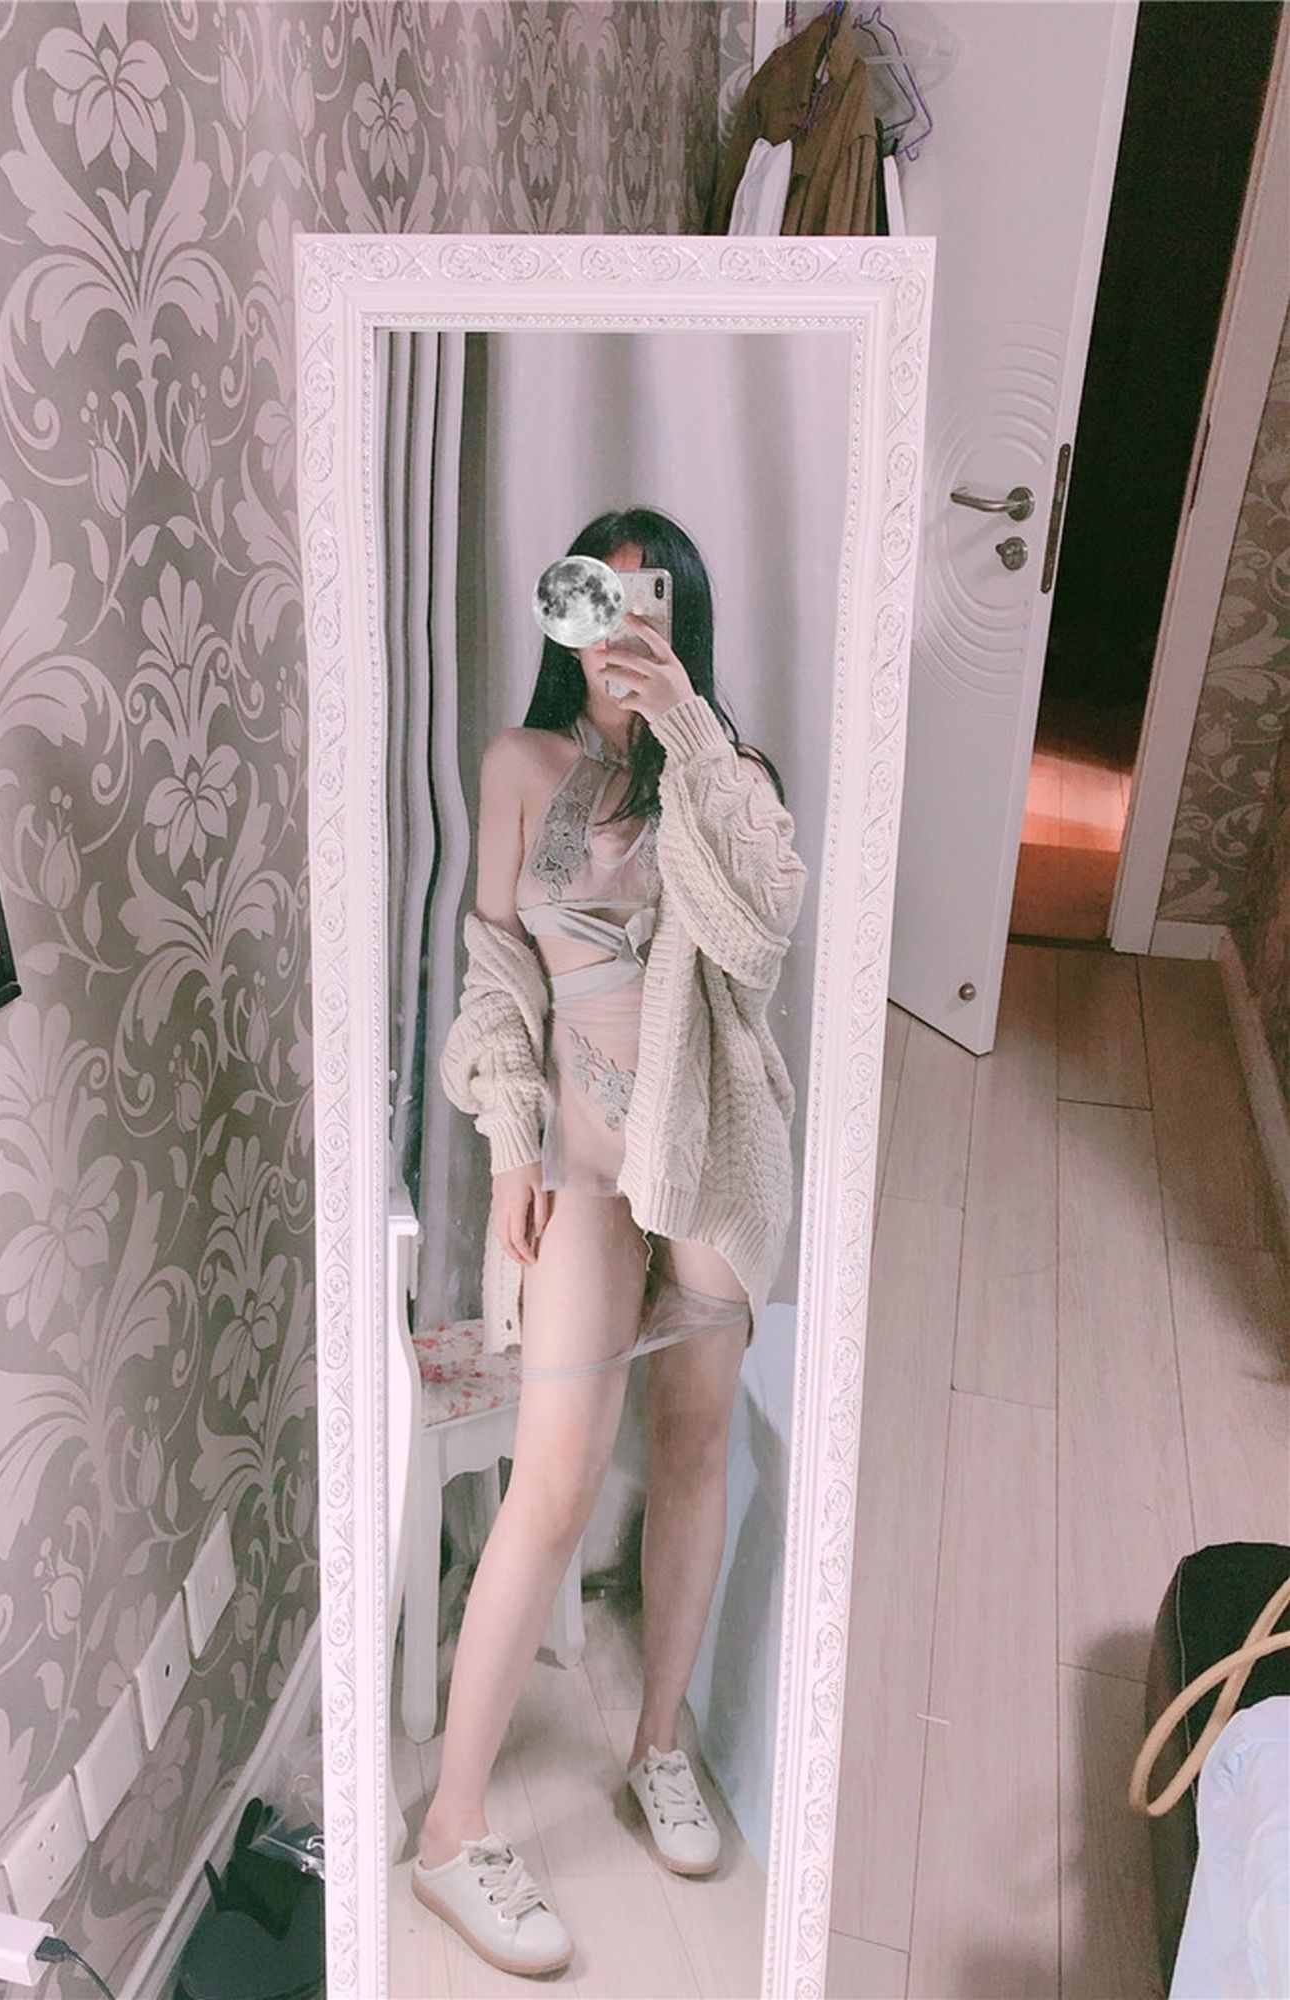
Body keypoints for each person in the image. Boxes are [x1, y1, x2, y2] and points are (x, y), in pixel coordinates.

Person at [415, 506, 808, 1977]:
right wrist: (511, 1134)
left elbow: (762, 929)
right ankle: (452, 1829)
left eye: (653, 601)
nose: (621, 624)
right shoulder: (519, 765)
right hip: (579, 1166)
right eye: (598, 595)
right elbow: (494, 960)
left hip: (709, 1159)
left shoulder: (729, 776)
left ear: (682, 620)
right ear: (561, 609)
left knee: (695, 1445)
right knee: (554, 1484)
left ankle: (657, 1746)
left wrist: (687, 727)